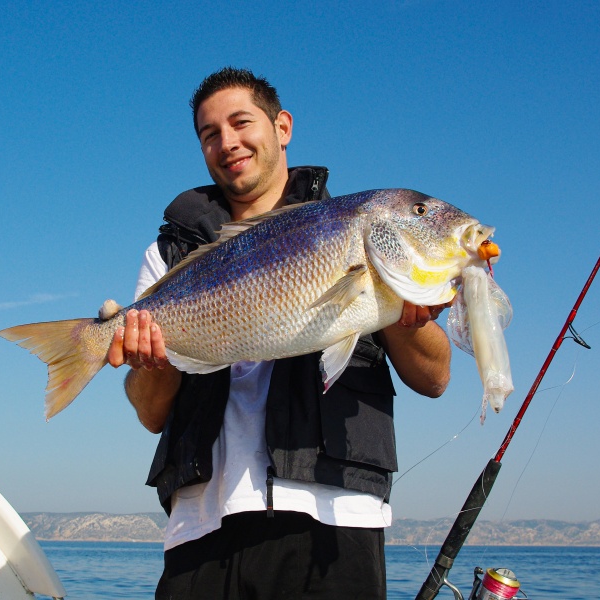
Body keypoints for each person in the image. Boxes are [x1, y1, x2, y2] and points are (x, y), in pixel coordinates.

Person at [105, 67, 452, 599]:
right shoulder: (168, 256)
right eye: (209, 134)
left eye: (242, 122)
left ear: (282, 126)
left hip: (333, 520)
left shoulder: (356, 225)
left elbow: (435, 378)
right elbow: (151, 413)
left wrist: (401, 309)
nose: (228, 143)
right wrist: (150, 358)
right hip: (200, 525)